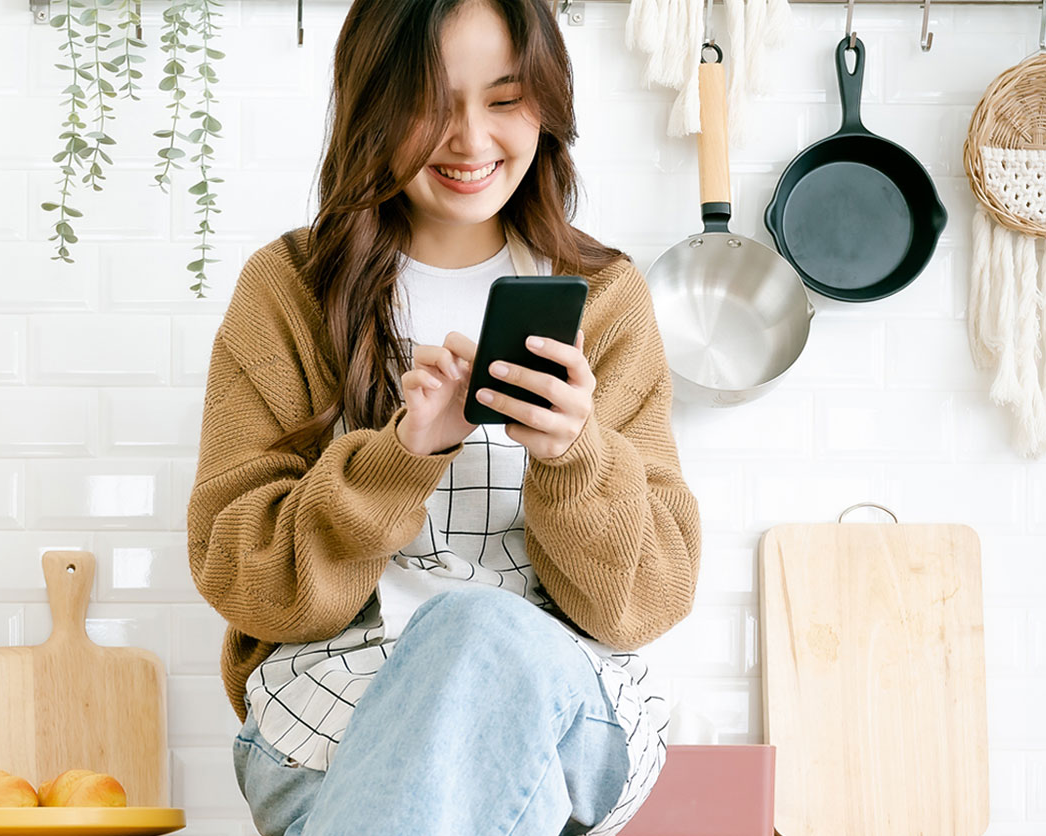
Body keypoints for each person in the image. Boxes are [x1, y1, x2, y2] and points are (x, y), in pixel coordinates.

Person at [183, 0, 704, 833]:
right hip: (335, 725)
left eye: (504, 100)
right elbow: (243, 579)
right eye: (431, 101)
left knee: (477, 631)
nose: (469, 140)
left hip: (561, 721)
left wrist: (575, 455)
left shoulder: (605, 301)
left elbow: (643, 601)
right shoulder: (286, 292)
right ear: (372, 105)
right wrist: (398, 459)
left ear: (546, 104)